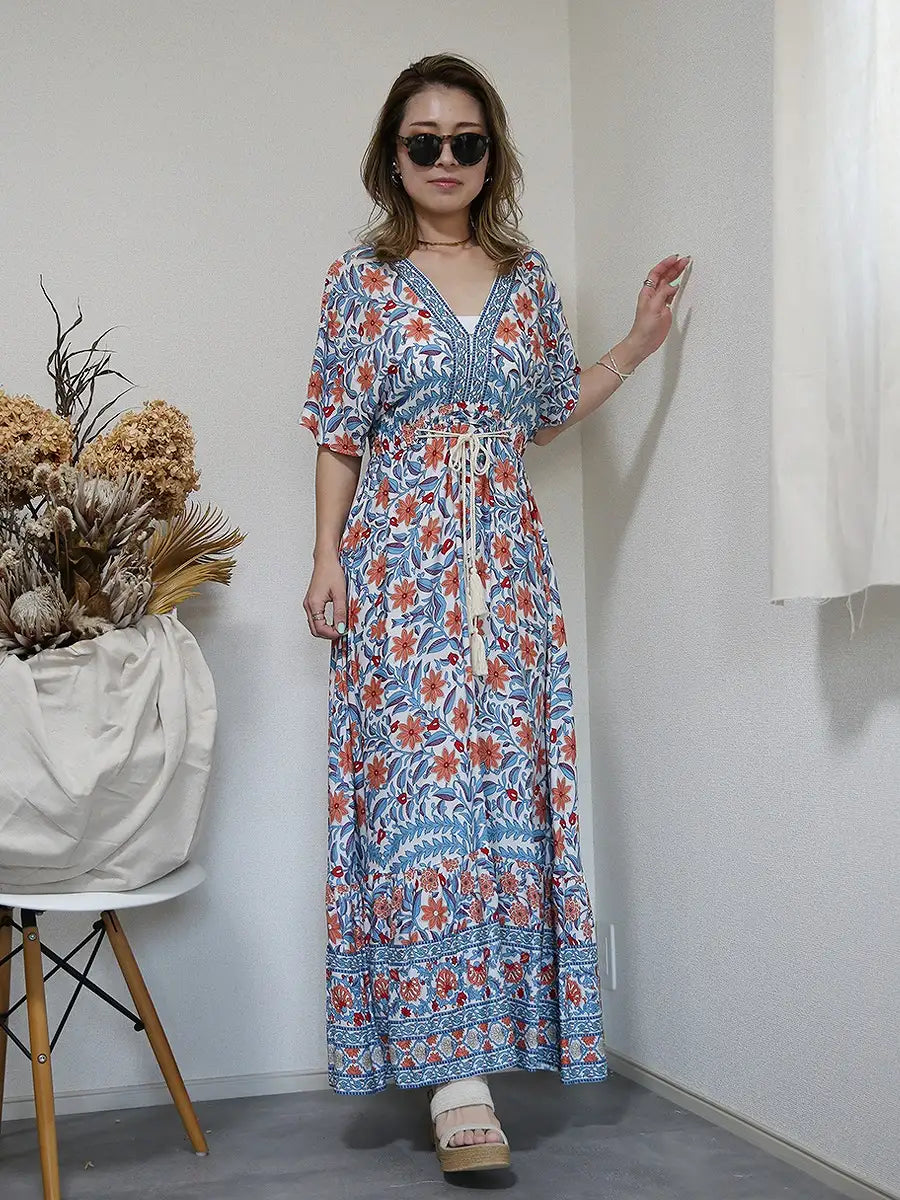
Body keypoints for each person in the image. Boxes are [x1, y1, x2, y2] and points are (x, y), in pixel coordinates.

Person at [301, 52, 688, 1174]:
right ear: (393, 156)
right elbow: (340, 431)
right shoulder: (361, 281)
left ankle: (500, 1045)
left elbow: (544, 409)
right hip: (397, 572)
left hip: (506, 577)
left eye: (465, 141)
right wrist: (326, 557)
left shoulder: (528, 278)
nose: (445, 159)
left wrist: (637, 346)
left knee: (505, 802)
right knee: (415, 806)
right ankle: (455, 1085)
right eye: (422, 141)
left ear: (491, 155)